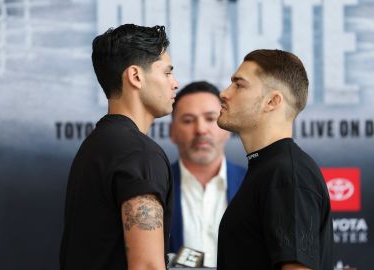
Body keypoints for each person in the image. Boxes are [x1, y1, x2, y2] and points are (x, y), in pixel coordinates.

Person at [59, 24, 179, 270]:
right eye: (167, 73)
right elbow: (147, 265)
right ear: (135, 76)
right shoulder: (140, 153)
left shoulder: (96, 145)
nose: (175, 83)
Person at [216, 49, 333, 270]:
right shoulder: (269, 169)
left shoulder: (287, 174)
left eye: (239, 84)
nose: (224, 93)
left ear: (272, 101)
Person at [168, 81, 246, 267]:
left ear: (227, 128)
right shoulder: (155, 187)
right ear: (173, 132)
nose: (201, 130)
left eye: (211, 118)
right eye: (188, 120)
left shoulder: (253, 184)